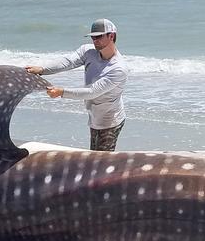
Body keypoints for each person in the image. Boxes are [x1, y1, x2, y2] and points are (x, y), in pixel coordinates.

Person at [26, 18, 128, 151]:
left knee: (100, 161)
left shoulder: (118, 68)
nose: (95, 40)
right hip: (95, 117)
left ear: (112, 36)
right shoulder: (88, 51)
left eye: (99, 36)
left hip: (110, 121)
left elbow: (92, 92)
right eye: (93, 37)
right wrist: (42, 69)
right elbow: (67, 62)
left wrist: (61, 92)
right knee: (94, 156)